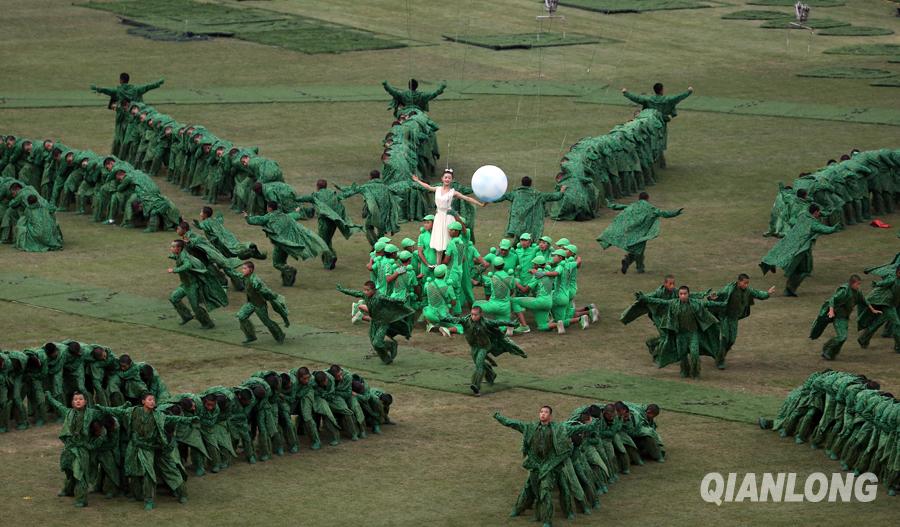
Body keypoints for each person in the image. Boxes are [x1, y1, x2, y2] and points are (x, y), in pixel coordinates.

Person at [494, 406, 600, 527]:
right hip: (535, 464)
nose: (543, 414)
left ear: (550, 416)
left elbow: (581, 428)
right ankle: (523, 509)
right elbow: (513, 423)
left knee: (546, 490)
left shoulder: (560, 428)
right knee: (531, 488)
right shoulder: (530, 427)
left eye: (546, 412)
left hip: (550, 464)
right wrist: (499, 417)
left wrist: (594, 421)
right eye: (541, 412)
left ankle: (547, 520)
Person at [96, 393, 197, 510]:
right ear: (143, 401)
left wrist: (188, 419)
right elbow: (118, 411)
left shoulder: (158, 415)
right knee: (133, 471)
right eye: (149, 399)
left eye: (153, 400)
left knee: (151, 473)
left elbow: (172, 418)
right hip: (134, 446)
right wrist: (102, 408)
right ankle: (137, 494)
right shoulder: (133, 411)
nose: (152, 402)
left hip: (153, 447)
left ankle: (152, 498)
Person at [639, 286, 726, 378]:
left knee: (695, 354)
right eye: (681, 294)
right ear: (678, 295)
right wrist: (645, 298)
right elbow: (660, 301)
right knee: (682, 355)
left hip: (692, 334)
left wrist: (722, 304)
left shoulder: (695, 304)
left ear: (688, 294)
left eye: (685, 294)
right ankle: (684, 370)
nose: (683, 296)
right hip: (680, 335)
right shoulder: (673, 303)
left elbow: (708, 303)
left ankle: (695, 372)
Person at [442, 305, 526, 396]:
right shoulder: (466, 320)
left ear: (480, 314)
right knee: (479, 363)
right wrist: (443, 317)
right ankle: (491, 374)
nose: (473, 316)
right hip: (474, 347)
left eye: (475, 315)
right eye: (472, 314)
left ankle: (476, 386)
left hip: (484, 346)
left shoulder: (486, 322)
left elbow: (498, 322)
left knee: (479, 364)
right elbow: (454, 319)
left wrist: (511, 324)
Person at [244, 201, 332, 286]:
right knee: (282, 261)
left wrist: (247, 217)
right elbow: (295, 215)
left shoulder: (268, 217)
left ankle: (289, 270)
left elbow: (256, 220)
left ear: (269, 208)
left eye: (267, 207)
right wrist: (296, 211)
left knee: (277, 263)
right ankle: (287, 280)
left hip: (280, 244)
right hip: (288, 243)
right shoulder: (284, 215)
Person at [760, 204, 840, 296]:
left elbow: (793, 220)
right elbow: (826, 230)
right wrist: (835, 227)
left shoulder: (803, 214)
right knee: (804, 269)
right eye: (818, 212)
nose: (819, 214)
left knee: (785, 255)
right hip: (801, 249)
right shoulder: (813, 224)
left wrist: (826, 213)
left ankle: (771, 264)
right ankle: (790, 289)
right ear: (815, 212)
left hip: (792, 241)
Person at [410, 169, 485, 267]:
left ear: (452, 180)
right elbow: (428, 187)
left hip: (448, 217)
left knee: (448, 239)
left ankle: (451, 263)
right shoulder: (437, 189)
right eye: (445, 177)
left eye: (449, 178)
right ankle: (438, 265)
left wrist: (480, 204)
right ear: (442, 178)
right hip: (439, 217)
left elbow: (466, 198)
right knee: (439, 241)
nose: (447, 179)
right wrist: (417, 181)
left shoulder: (453, 192)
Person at [598, 192, 682, 274]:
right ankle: (637, 266)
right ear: (647, 198)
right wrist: (675, 213)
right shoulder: (650, 208)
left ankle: (628, 262)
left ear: (639, 198)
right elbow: (663, 213)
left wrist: (610, 205)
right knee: (639, 251)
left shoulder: (634, 205)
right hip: (641, 233)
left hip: (632, 231)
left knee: (636, 249)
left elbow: (621, 207)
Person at [45, 391, 103, 507]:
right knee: (69, 471)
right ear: (72, 402)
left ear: (85, 401)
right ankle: (68, 490)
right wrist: (50, 398)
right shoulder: (68, 413)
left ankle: (81, 499)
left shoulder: (92, 413)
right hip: (69, 449)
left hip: (82, 449)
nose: (78, 401)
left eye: (80, 399)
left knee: (80, 472)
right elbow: (58, 406)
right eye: (75, 399)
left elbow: (106, 417)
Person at [336, 281, 415, 364]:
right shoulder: (365, 295)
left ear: (374, 290)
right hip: (374, 321)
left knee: (377, 343)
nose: (365, 292)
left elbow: (391, 300)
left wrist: (402, 300)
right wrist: (342, 290)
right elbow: (355, 293)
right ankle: (386, 359)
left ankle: (391, 345)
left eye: (368, 290)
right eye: (364, 290)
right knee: (374, 344)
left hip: (383, 322)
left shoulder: (379, 296)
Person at [711, 273, 776, 369]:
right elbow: (720, 293)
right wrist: (713, 297)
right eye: (745, 283)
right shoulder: (730, 288)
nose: (746, 285)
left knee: (731, 340)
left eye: (747, 283)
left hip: (734, 318)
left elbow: (758, 294)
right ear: (739, 282)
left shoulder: (748, 290)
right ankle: (720, 361)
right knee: (725, 338)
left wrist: (768, 293)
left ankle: (720, 355)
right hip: (725, 316)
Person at [810, 275, 880, 360]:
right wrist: (831, 311)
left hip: (844, 317)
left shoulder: (857, 292)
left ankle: (832, 353)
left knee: (843, 337)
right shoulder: (844, 291)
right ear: (852, 284)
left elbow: (864, 301)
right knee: (842, 337)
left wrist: (873, 310)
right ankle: (827, 348)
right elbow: (832, 299)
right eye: (857, 284)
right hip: (838, 316)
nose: (859, 286)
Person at [296, 179, 360, 270]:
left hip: (324, 221)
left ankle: (330, 257)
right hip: (334, 221)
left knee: (322, 242)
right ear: (326, 186)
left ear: (317, 186)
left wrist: (294, 199)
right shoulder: (333, 194)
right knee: (327, 240)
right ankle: (330, 259)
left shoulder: (316, 195)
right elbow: (344, 195)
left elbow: (305, 198)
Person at [166, 239, 228, 329]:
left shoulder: (185, 257)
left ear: (178, 248)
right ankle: (186, 316)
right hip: (185, 284)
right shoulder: (180, 254)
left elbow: (187, 265)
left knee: (195, 307)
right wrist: (173, 257)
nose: (171, 248)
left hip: (192, 286)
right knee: (174, 298)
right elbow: (180, 259)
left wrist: (174, 270)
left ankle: (207, 323)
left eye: (173, 247)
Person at [236, 261, 289, 344]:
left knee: (267, 322)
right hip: (251, 303)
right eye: (243, 268)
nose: (243, 270)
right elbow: (237, 275)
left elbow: (265, 290)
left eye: (245, 268)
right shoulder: (245, 277)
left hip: (259, 305)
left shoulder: (255, 280)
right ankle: (251, 336)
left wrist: (274, 296)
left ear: (250, 270)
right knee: (241, 316)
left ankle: (280, 335)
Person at [497, 176, 565, 240]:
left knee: (519, 239)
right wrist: (561, 191)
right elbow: (554, 197)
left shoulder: (515, 194)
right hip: (531, 225)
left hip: (517, 223)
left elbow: (502, 197)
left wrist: (492, 196)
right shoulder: (538, 195)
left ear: (521, 183)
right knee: (528, 239)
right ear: (531, 183)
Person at [856, 267, 900, 353]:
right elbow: (886, 283)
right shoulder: (894, 279)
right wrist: (877, 283)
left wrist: (870, 270)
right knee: (896, 323)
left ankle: (863, 339)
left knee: (878, 322)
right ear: (897, 272)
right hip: (886, 303)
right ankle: (898, 347)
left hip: (884, 302)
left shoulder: (893, 276)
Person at [382, 78, 447, 117]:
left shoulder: (403, 94)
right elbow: (433, 94)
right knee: (429, 125)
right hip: (418, 112)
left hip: (405, 112)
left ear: (408, 86)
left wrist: (386, 85)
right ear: (417, 86)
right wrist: (441, 88)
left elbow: (393, 92)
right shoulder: (421, 95)